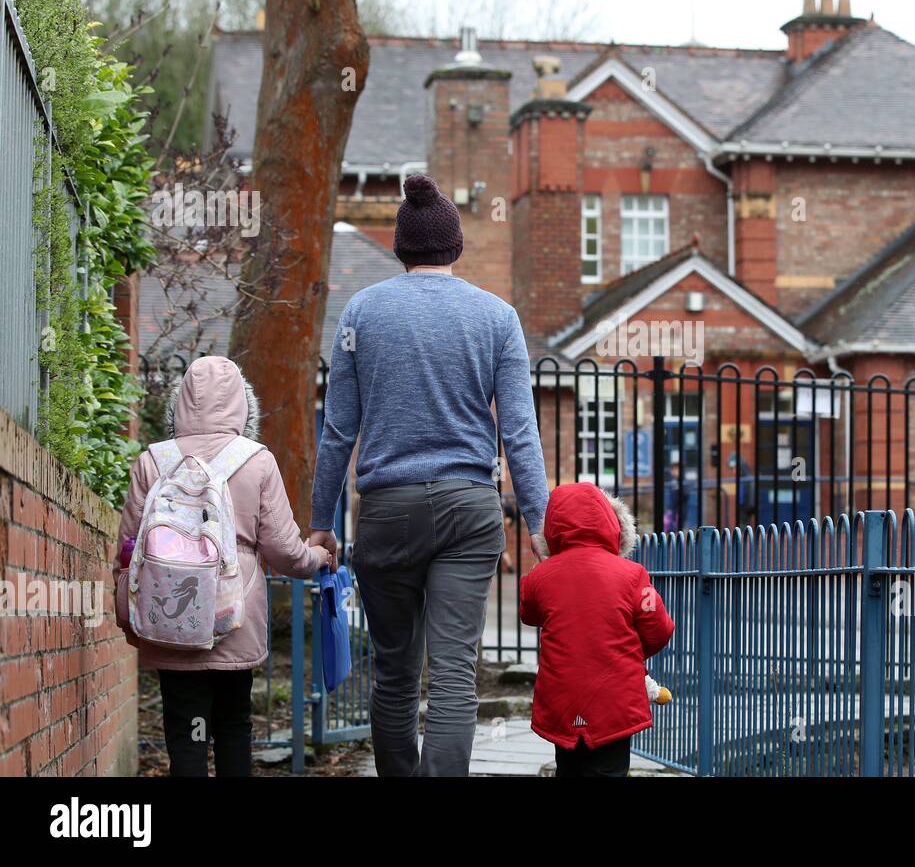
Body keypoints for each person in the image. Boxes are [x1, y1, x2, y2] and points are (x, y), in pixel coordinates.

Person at [311, 174, 549, 777]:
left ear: (399, 247)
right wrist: (541, 522)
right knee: (452, 674)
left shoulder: (362, 311)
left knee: (394, 671)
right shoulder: (498, 318)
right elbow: (520, 433)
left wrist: (319, 524)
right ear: (456, 247)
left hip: (387, 510)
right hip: (470, 510)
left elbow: (338, 431)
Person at [113, 356, 332, 776]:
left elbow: (126, 550)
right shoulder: (257, 460)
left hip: (169, 619)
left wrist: (130, 613)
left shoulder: (153, 461)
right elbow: (286, 553)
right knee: (234, 725)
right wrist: (318, 557)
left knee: (187, 730)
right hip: (233, 616)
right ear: (243, 405)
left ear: (180, 404)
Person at [520, 483, 674, 778]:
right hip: (614, 702)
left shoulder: (541, 576)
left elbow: (529, 612)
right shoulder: (631, 575)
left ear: (552, 526)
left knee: (569, 768)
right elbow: (660, 628)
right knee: (610, 769)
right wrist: (630, 650)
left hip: (562, 701)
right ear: (611, 521)